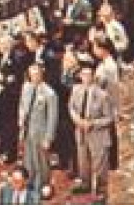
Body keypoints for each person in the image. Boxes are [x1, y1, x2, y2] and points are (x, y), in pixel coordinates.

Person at [68, 63, 115, 202]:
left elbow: (109, 118)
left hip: (98, 136)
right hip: (81, 132)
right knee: (83, 162)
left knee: (100, 166)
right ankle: (85, 184)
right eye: (83, 75)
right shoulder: (76, 90)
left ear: (93, 76)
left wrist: (92, 124)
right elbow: (71, 107)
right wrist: (77, 120)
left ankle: (101, 192)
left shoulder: (102, 95)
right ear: (80, 76)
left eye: (89, 75)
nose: (86, 78)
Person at [17, 63, 58, 199]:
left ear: (41, 74)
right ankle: (30, 184)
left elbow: (52, 118)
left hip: (41, 132)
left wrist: (48, 138)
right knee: (28, 160)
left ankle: (43, 186)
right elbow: (22, 106)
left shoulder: (49, 93)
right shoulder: (26, 88)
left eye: (36, 74)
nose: (34, 77)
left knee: (42, 162)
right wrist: (21, 122)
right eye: (31, 74)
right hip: (28, 130)